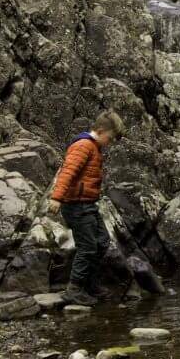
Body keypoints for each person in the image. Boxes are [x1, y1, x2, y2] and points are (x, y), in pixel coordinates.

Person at [48, 111, 125, 306]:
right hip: (75, 206)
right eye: (110, 138)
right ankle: (74, 289)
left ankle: (90, 283)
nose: (110, 142)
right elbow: (68, 172)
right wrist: (57, 198)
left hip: (87, 204)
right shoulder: (83, 146)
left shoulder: (95, 148)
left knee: (102, 242)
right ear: (99, 131)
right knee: (88, 247)